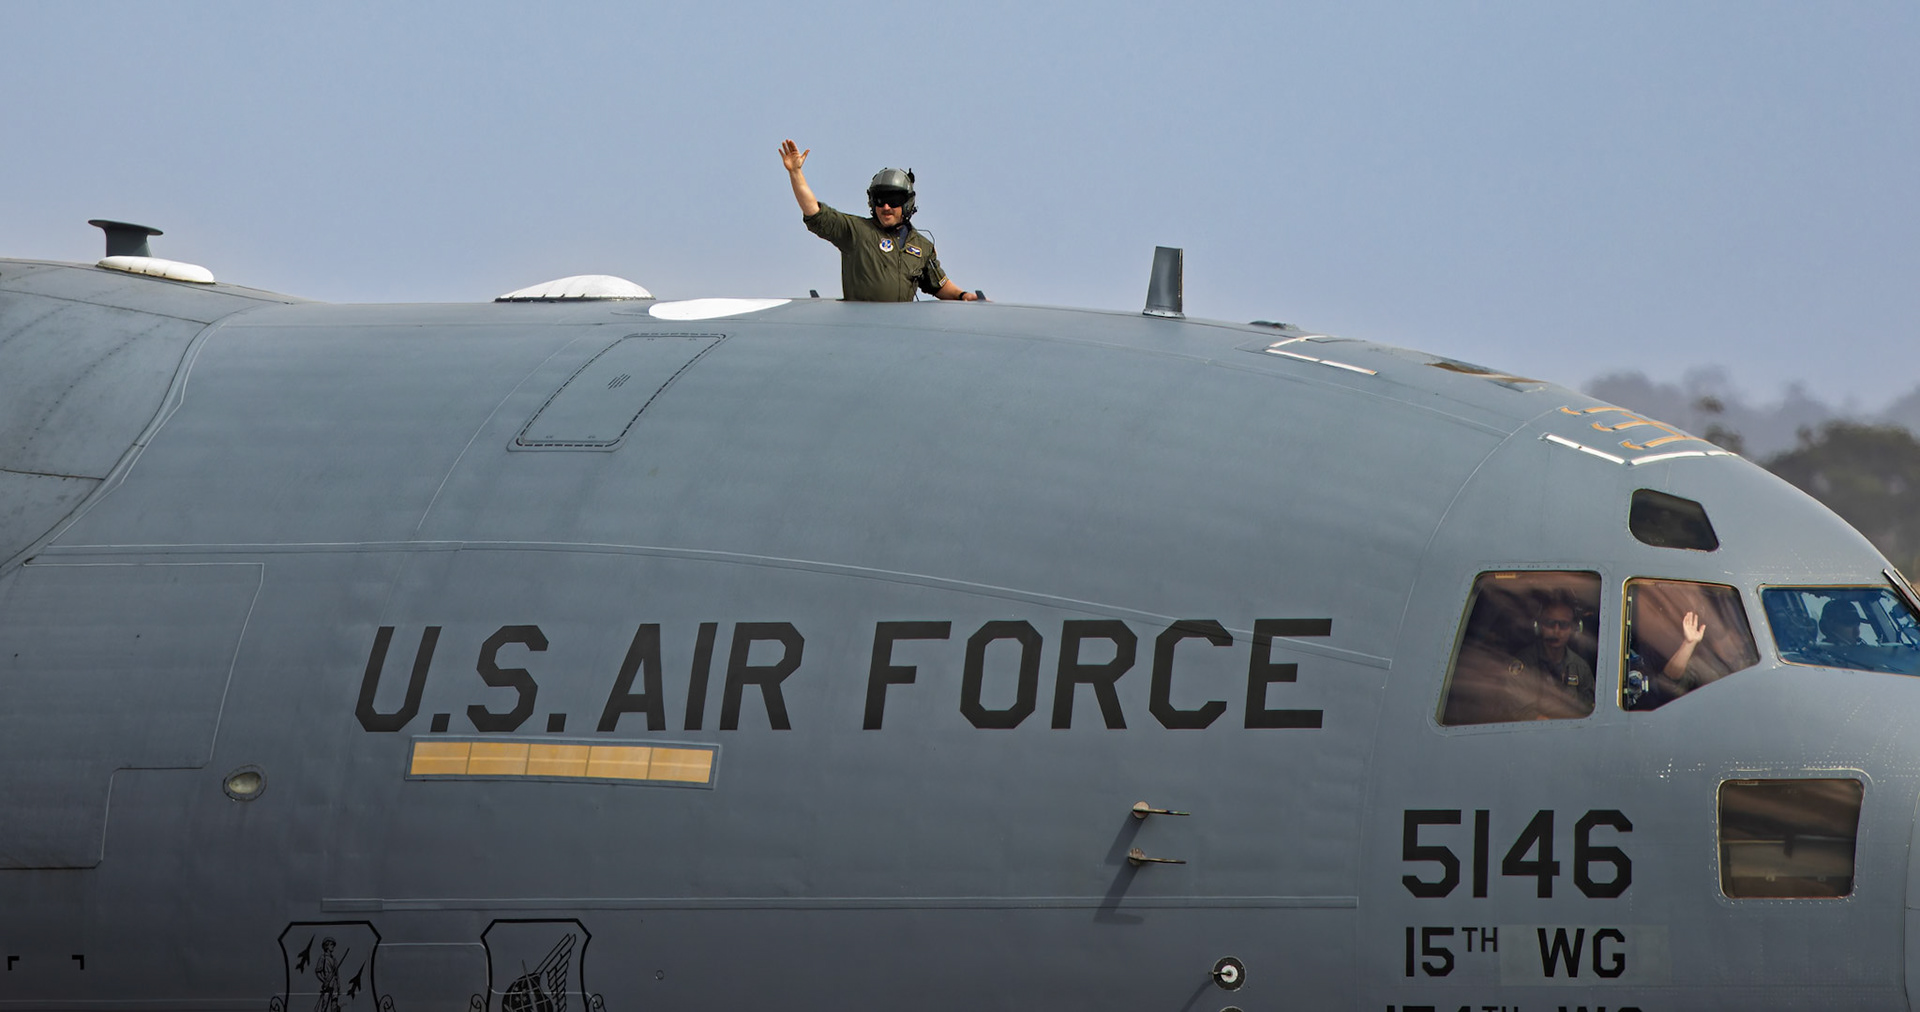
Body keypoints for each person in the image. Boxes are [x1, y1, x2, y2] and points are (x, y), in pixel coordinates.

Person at [779, 139, 979, 303]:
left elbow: (939, 285)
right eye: (880, 200)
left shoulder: (921, 246)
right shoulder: (856, 232)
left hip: (901, 334)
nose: (886, 207)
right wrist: (795, 173)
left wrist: (963, 296)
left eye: (894, 201)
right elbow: (815, 213)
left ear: (907, 204)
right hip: (862, 331)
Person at [1506, 594, 1596, 719]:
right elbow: (1518, 710)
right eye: (1550, 623)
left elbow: (1588, 710)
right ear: (1539, 626)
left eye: (1563, 625)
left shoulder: (1581, 668)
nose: (1556, 631)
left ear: (1573, 629)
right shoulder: (1523, 664)